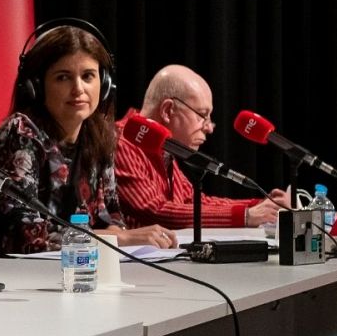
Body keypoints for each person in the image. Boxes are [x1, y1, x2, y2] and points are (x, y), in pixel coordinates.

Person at [0, 18, 176, 256]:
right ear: (37, 86)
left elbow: (111, 217)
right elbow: (25, 236)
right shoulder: (21, 133)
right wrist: (117, 238)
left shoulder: (101, 134)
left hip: (81, 271)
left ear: (104, 84)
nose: (78, 88)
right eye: (63, 77)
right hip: (19, 279)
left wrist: (119, 234)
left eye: (88, 76)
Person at [113, 65, 289, 229]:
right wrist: (246, 215)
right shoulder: (122, 142)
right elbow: (156, 210)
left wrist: (260, 205)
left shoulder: (163, 147)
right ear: (168, 110)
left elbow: (193, 201)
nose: (210, 127)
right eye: (202, 115)